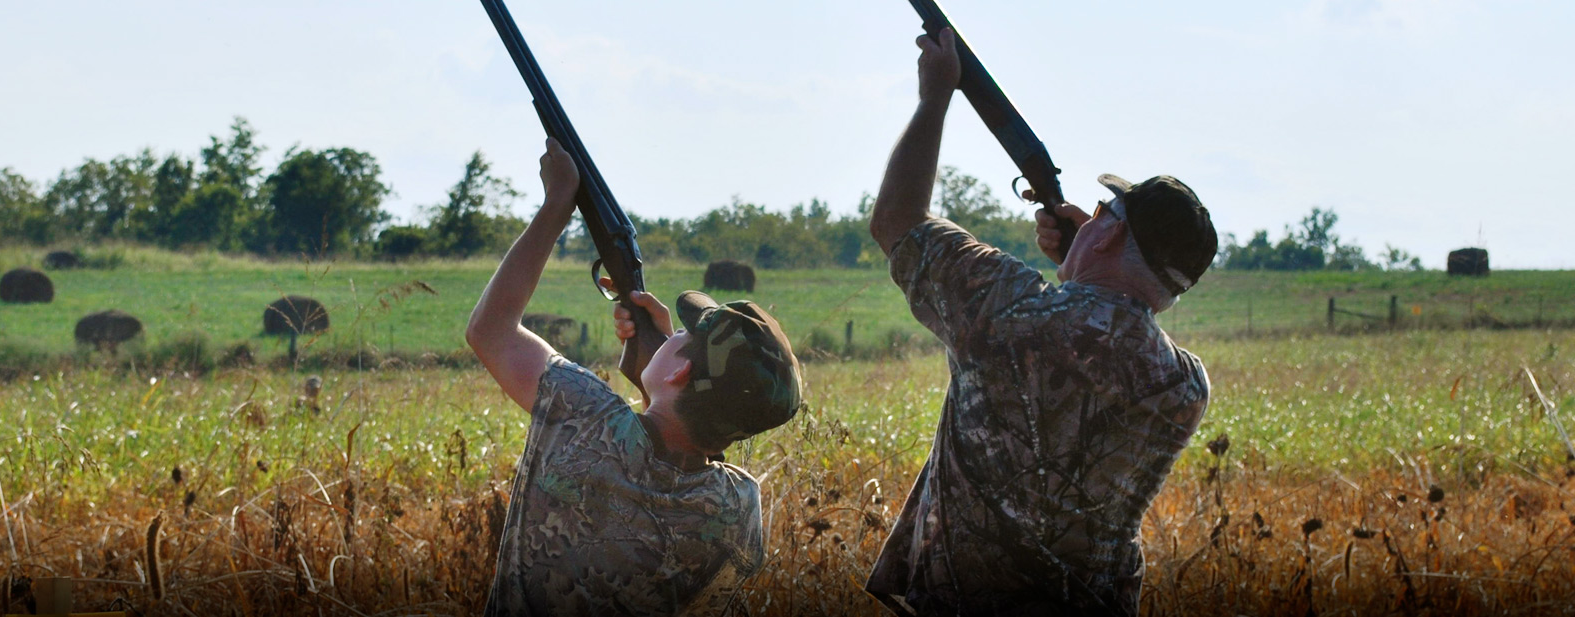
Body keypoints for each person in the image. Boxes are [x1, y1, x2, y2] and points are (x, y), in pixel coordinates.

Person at [862, 28, 1220, 616]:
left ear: (1113, 234)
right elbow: (1105, 333)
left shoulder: (1008, 310)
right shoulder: (1185, 385)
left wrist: (934, 99)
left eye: (1102, 210)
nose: (1091, 215)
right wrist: (1085, 266)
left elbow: (897, 220)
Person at [465, 137, 805, 616]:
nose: (673, 332)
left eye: (681, 335)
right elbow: (679, 451)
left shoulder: (583, 414)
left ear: (682, 371)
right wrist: (658, 370)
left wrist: (557, 205)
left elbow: (490, 331)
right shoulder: (739, 507)